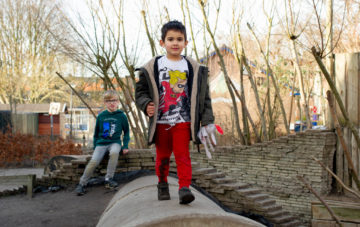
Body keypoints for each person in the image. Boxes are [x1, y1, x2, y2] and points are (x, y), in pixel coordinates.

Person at [135, 20, 214, 204]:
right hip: (161, 122)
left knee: (183, 156)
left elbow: (205, 98)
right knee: (162, 157)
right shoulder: (152, 66)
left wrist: (207, 120)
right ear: (162, 43)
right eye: (170, 39)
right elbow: (140, 92)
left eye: (180, 39)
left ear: (186, 43)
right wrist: (146, 104)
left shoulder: (194, 68)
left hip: (183, 121)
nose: (175, 42)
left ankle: (184, 188)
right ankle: (162, 184)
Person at [75, 90, 130, 196]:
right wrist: (96, 146)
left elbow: (126, 132)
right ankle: (82, 184)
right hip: (101, 143)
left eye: (114, 100)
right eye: (109, 101)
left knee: (114, 152)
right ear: (105, 103)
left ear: (118, 101)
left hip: (115, 142)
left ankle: (109, 179)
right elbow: (96, 133)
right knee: (94, 161)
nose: (112, 103)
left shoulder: (121, 116)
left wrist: (126, 145)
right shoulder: (101, 116)